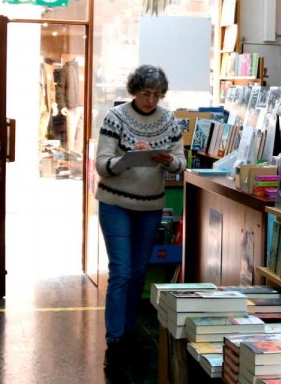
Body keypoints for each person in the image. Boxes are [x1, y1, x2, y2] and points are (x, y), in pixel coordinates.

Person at [94, 65, 185, 372]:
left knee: (136, 272)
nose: (151, 100)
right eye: (146, 93)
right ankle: (115, 341)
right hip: (115, 203)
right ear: (134, 90)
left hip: (150, 206)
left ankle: (129, 335)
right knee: (120, 271)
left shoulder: (169, 119)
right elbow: (103, 165)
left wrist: (168, 160)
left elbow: (181, 162)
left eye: (157, 95)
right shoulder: (115, 117)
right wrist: (129, 156)